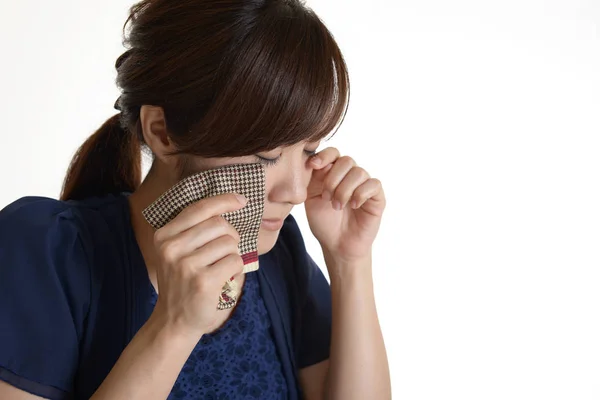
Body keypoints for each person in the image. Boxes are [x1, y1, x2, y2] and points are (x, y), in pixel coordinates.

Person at [0, 0, 391, 399]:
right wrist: (174, 325)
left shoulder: (280, 255)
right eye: (266, 155)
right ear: (162, 132)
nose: (293, 192)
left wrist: (349, 261)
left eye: (309, 150)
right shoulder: (42, 252)